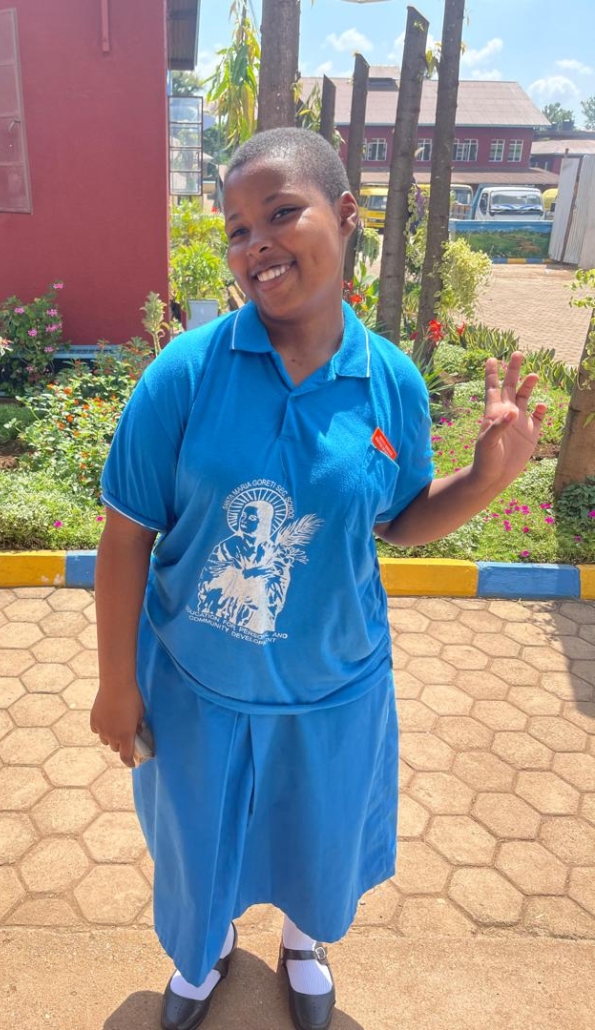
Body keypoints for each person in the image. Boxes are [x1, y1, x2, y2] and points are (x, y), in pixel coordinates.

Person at [91, 128, 545, 1030]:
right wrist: (115, 685)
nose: (255, 243)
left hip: (335, 687)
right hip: (196, 686)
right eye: (236, 229)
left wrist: (485, 479)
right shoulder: (185, 374)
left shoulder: (389, 384)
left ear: (344, 216)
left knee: (319, 840)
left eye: (280, 213)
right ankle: (204, 952)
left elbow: (398, 519)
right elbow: (125, 536)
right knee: (196, 848)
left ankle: (303, 945)